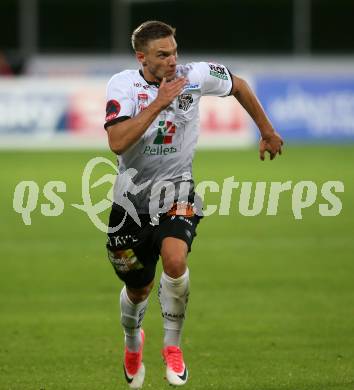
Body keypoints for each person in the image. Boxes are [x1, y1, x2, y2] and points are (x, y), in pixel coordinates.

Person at [104, 20, 283, 389]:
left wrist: (266, 130)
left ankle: (173, 347)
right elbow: (118, 142)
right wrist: (159, 103)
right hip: (130, 202)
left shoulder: (195, 76)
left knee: (175, 260)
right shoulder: (123, 85)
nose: (173, 61)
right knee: (137, 289)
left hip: (178, 193)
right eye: (162, 55)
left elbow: (239, 84)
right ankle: (133, 340)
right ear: (142, 57)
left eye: (175, 52)